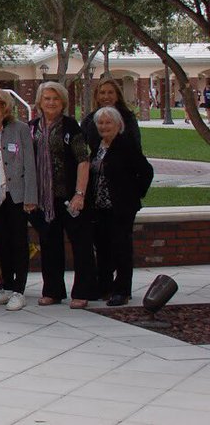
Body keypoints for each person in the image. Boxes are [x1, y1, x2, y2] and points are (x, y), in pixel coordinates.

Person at [29, 82, 96, 308]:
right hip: (44, 199)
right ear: (39, 102)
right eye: (47, 98)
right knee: (49, 245)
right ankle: (53, 290)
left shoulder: (71, 127)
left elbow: (83, 161)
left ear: (63, 102)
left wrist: (80, 194)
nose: (51, 102)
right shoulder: (32, 128)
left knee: (80, 244)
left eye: (55, 99)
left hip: (69, 197)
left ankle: (82, 291)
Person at [0, 89, 37, 312]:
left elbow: (29, 164)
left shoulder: (20, 129)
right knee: (0, 243)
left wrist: (31, 197)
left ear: (5, 106)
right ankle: (6, 286)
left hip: (15, 194)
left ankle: (19, 290)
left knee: (18, 242)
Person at [90, 107, 154, 306]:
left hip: (120, 208)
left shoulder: (125, 145)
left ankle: (122, 290)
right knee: (102, 248)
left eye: (108, 122)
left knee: (121, 248)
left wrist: (134, 194)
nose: (104, 126)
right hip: (100, 206)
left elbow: (146, 171)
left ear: (118, 125)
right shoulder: (98, 146)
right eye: (100, 123)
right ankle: (105, 286)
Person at [81, 78, 142, 151]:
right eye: (102, 93)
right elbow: (79, 145)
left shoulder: (128, 118)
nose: (106, 96)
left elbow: (136, 146)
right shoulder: (89, 120)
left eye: (110, 92)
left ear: (117, 96)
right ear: (97, 97)